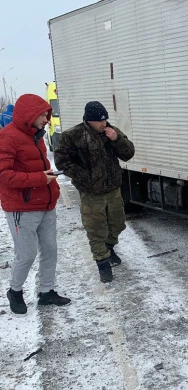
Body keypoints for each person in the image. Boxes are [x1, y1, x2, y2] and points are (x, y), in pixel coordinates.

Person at [0, 94, 71, 314]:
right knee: (27, 254)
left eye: (47, 115)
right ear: (28, 115)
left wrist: (49, 180)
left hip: (45, 204)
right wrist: (41, 178)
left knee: (50, 250)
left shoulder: (37, 136)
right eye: (42, 115)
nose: (46, 119)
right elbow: (4, 176)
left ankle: (46, 292)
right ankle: (15, 291)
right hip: (22, 208)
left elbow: (37, 166)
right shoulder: (7, 137)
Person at [54, 101, 135, 283]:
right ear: (89, 120)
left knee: (117, 224)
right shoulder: (73, 135)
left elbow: (128, 153)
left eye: (105, 119)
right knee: (96, 229)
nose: (103, 123)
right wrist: (85, 177)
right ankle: (102, 263)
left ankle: (110, 247)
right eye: (99, 121)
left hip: (113, 189)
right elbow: (62, 162)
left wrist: (117, 140)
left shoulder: (111, 132)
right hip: (91, 193)